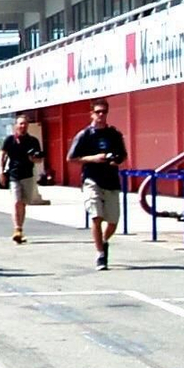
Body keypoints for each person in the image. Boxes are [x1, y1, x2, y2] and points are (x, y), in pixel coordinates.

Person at [67, 98, 128, 270]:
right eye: (98, 111)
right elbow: (71, 158)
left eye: (104, 112)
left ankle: (104, 240)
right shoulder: (84, 135)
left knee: (113, 221)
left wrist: (116, 160)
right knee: (96, 216)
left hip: (111, 180)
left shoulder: (114, 134)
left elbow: (123, 155)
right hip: (92, 179)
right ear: (92, 113)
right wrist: (94, 158)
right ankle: (100, 254)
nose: (101, 115)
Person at [0, 113, 43, 243]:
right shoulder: (10, 140)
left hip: (28, 175)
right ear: (16, 125)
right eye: (20, 123)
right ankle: (16, 228)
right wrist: (1, 172)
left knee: (23, 203)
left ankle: (20, 229)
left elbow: (39, 159)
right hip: (14, 175)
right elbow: (3, 156)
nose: (23, 126)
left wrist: (33, 159)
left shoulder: (33, 141)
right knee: (16, 201)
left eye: (25, 124)